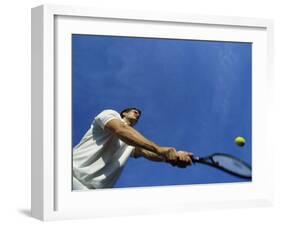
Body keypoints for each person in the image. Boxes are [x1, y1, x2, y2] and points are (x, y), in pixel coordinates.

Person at [72, 108, 193, 190]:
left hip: (92, 194)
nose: (138, 114)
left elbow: (147, 152)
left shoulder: (133, 142)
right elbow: (120, 130)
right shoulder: (109, 114)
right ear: (124, 113)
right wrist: (160, 149)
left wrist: (173, 157)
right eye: (135, 112)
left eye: (139, 115)